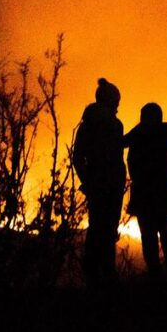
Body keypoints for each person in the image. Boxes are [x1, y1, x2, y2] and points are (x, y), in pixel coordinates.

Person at [72, 78, 126, 286]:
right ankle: (104, 278)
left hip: (99, 183)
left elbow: (78, 157)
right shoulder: (113, 124)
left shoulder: (88, 124)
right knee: (106, 231)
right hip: (110, 184)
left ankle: (95, 277)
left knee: (97, 229)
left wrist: (87, 180)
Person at [124, 103, 167, 280]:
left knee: (150, 239)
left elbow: (131, 162)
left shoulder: (138, 137)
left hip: (146, 196)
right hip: (163, 195)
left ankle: (158, 278)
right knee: (166, 237)